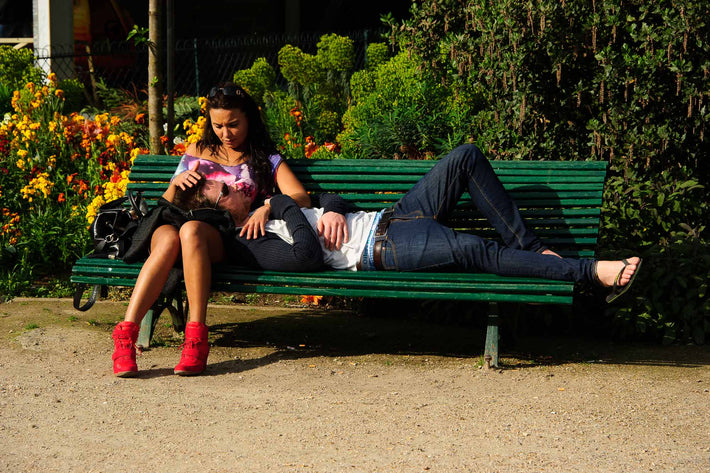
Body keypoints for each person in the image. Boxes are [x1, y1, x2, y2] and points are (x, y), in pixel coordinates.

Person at [180, 144, 642, 302]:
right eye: (224, 189)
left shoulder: (266, 204)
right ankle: (590, 272)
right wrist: (279, 206)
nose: (235, 182)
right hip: (382, 250)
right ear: (221, 212)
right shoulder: (254, 241)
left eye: (230, 180)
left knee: (465, 157)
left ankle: (535, 247)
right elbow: (304, 257)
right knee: (474, 250)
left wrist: (335, 207)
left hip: (391, 216)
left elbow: (328, 198)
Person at [110, 83, 345, 378]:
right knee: (170, 237)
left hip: (217, 234)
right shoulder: (198, 149)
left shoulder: (264, 158)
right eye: (218, 125)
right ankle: (125, 336)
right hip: (173, 219)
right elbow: (166, 202)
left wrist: (268, 206)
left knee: (192, 232)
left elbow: (301, 197)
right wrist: (176, 182)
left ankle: (195, 338)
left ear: (249, 119)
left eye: (233, 124)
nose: (226, 133)